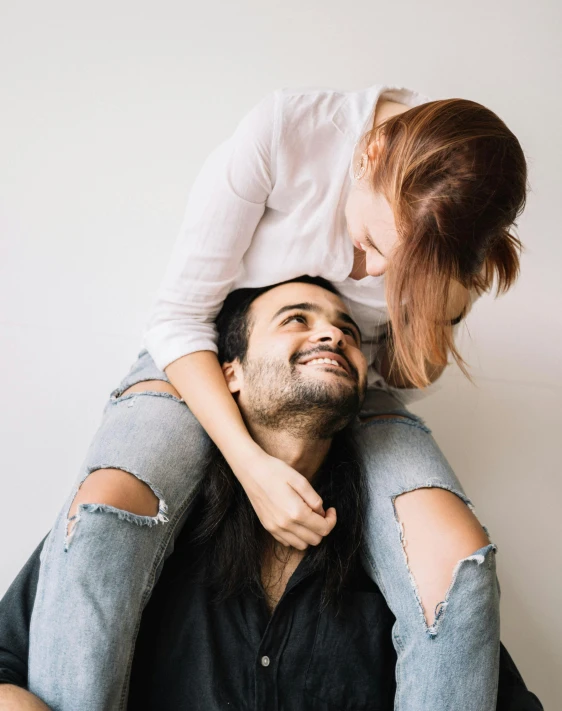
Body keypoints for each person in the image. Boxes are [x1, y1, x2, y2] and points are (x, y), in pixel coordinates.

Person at [24, 84, 529, 711]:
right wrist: (251, 464)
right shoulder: (285, 137)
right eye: (373, 243)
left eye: (388, 264)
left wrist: (444, 303)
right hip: (201, 356)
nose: (367, 273)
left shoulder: (448, 234)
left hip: (353, 388)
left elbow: (404, 376)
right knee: (106, 514)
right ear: (369, 153)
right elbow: (178, 318)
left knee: (458, 564)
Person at [0, 278, 543, 710]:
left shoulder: (404, 551)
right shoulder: (140, 521)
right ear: (228, 373)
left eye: (349, 332)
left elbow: (488, 691)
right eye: (297, 319)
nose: (333, 336)